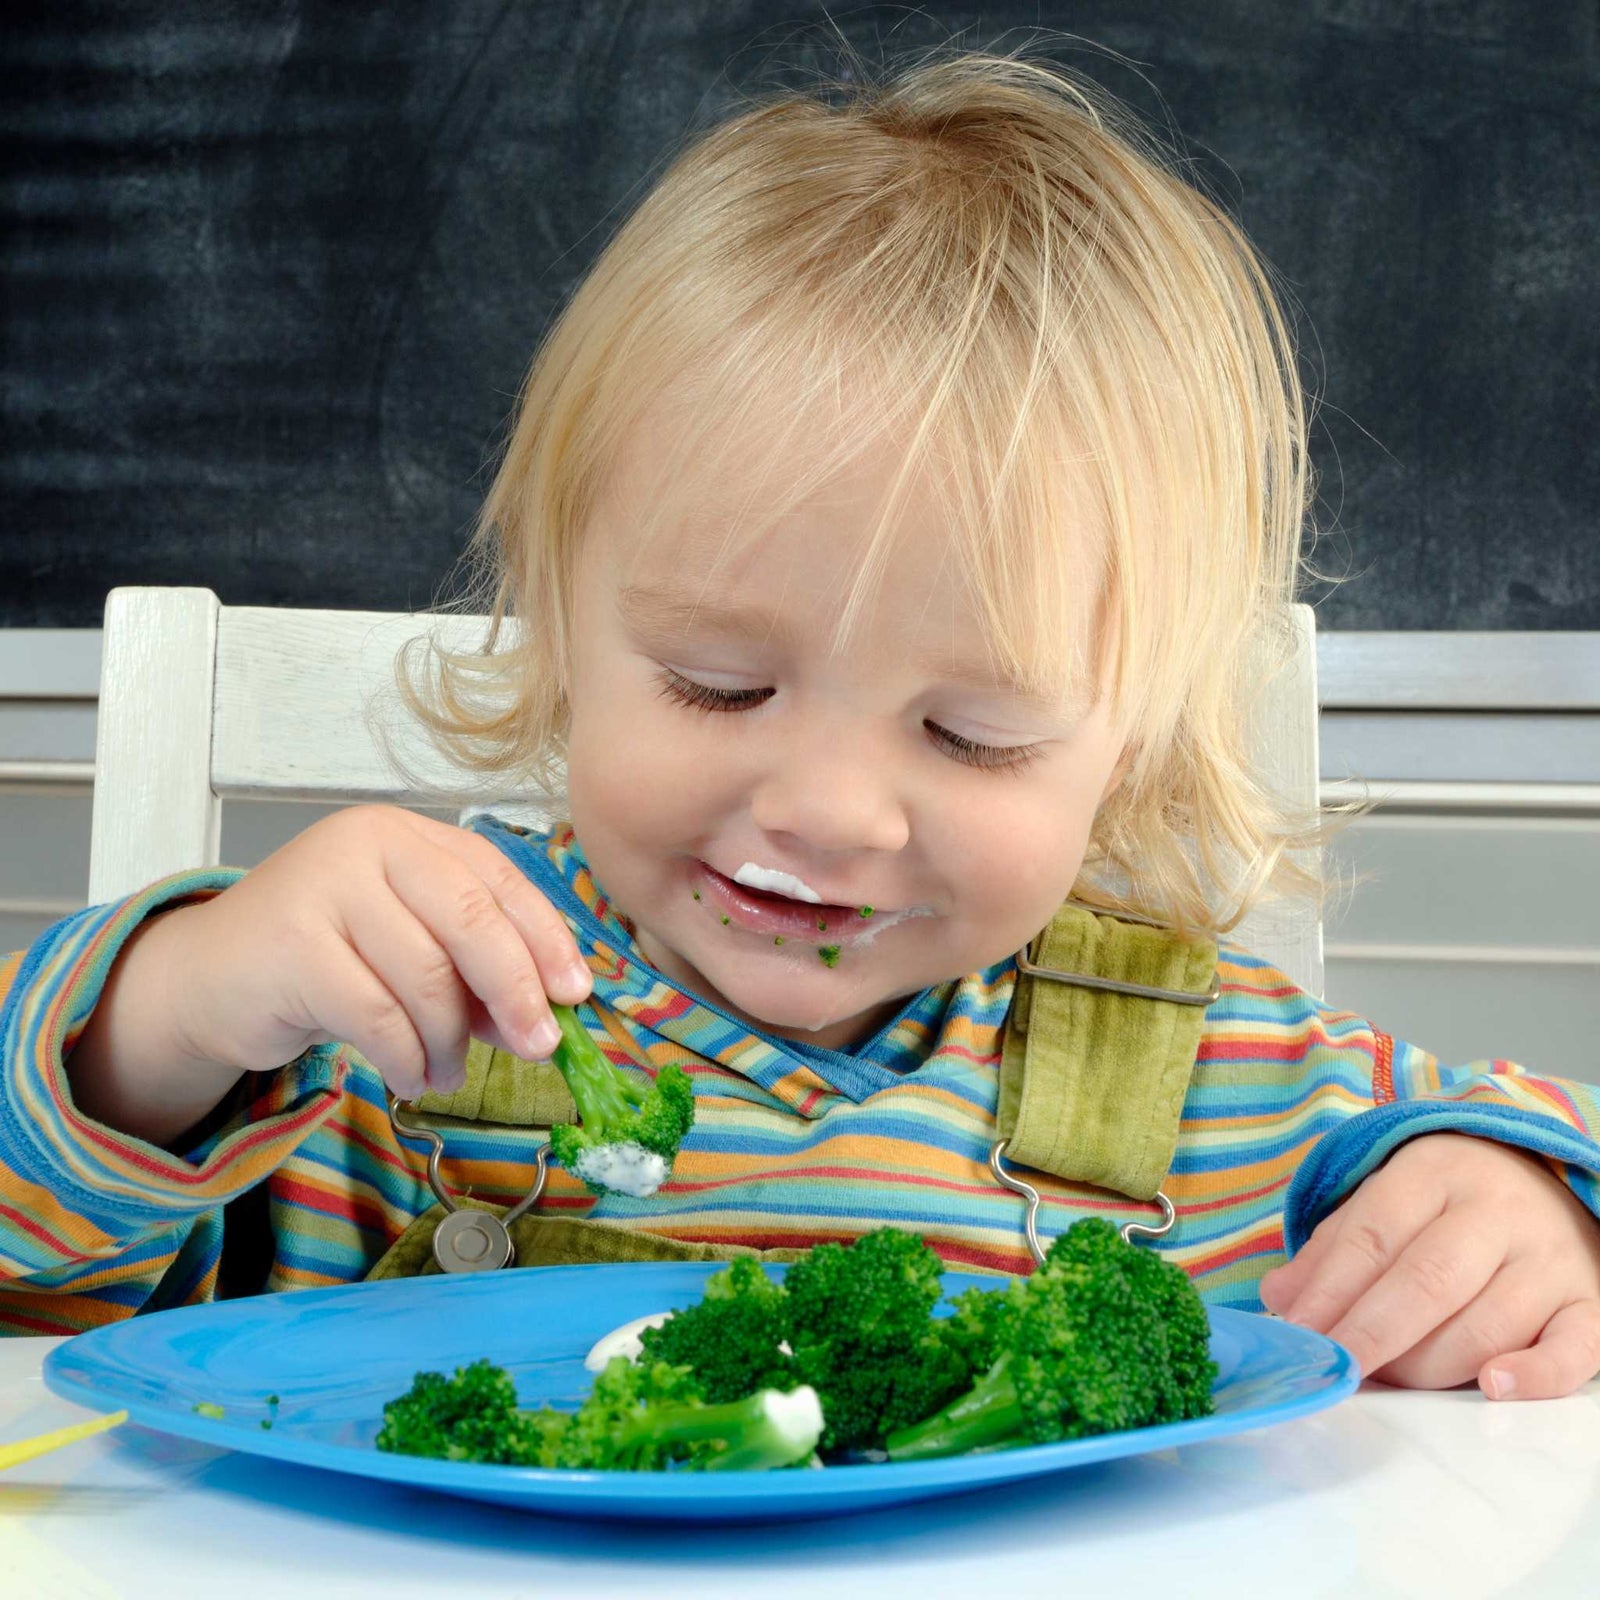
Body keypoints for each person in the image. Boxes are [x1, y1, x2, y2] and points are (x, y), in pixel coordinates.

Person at [4, 50, 1598, 1403]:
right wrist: (182, 1005)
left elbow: (1534, 1177)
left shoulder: (1216, 1077)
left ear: (1134, 741)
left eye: (973, 734)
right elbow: (36, 1279)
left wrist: (1528, 1211)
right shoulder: (396, 1025)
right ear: (561, 632)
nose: (833, 810)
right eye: (717, 681)